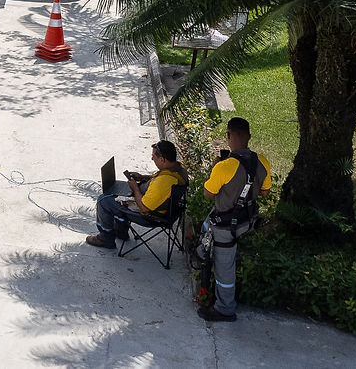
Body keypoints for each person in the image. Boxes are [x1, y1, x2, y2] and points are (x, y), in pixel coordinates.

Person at [195, 117, 271, 322]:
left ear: (228, 136)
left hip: (225, 227)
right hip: (246, 221)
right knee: (206, 227)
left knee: (225, 268)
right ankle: (201, 254)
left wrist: (216, 170)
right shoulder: (261, 161)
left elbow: (208, 194)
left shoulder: (224, 167)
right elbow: (264, 193)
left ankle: (225, 309)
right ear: (249, 136)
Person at [85, 140, 188, 249]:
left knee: (104, 200)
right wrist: (143, 177)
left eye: (154, 156)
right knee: (119, 195)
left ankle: (105, 239)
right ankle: (121, 232)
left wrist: (135, 189)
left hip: (152, 216)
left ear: (162, 159)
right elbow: (160, 180)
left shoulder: (164, 181)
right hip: (170, 211)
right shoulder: (179, 171)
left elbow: (144, 208)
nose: (152, 159)